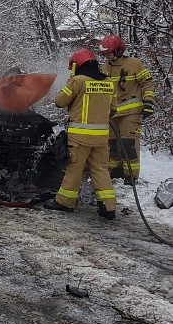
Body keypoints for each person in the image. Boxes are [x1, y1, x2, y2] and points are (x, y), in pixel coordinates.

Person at [43, 48, 117, 219]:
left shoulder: (78, 81)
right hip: (101, 138)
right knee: (100, 169)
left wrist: (71, 82)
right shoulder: (109, 82)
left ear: (77, 65)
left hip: (80, 137)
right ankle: (109, 207)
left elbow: (59, 102)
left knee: (74, 169)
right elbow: (113, 109)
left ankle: (64, 202)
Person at [98, 35, 155, 185]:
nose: (105, 56)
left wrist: (149, 102)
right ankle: (116, 173)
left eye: (107, 53)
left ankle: (131, 177)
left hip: (131, 112)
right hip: (112, 113)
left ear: (117, 51)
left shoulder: (134, 64)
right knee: (112, 145)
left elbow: (148, 84)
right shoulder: (105, 68)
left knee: (128, 144)